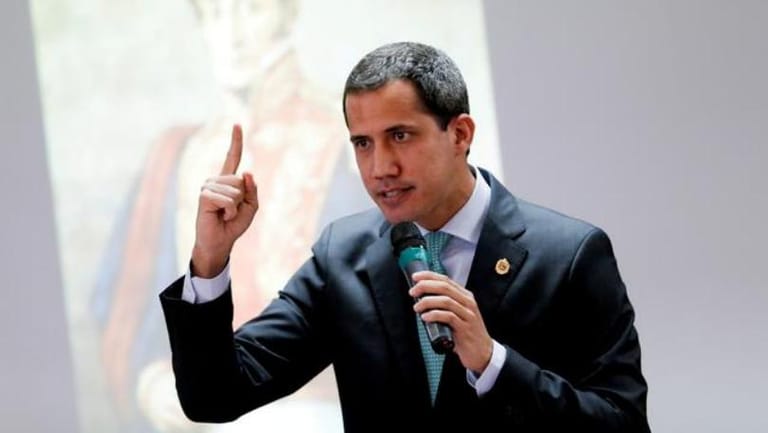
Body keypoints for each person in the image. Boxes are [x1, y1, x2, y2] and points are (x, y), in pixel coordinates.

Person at [159, 41, 650, 431]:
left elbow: (622, 422)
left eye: (400, 136)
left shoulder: (569, 255)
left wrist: (492, 363)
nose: (380, 168)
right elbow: (214, 397)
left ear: (460, 134)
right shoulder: (342, 255)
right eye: (362, 143)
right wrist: (210, 259)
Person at [94, 0, 355, 431]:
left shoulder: (346, 143)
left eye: (251, 9)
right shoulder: (177, 156)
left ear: (286, 13)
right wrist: (152, 383)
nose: (232, 35)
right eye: (215, 13)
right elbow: (128, 312)